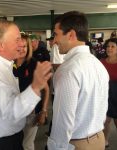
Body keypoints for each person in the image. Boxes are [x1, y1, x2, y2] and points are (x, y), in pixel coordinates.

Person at [0, 19, 52, 150]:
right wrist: (35, 87)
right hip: (2, 142)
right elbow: (11, 111)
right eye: (17, 39)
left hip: (6, 137)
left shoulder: (1, 65)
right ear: (0, 44)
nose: (22, 43)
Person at [47, 11, 109, 150]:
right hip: (98, 139)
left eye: (56, 34)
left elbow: (63, 122)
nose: (54, 41)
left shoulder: (67, 70)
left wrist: (55, 147)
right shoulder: (98, 64)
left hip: (77, 144)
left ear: (71, 35)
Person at [13, 33, 49, 150]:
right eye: (19, 46)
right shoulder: (8, 63)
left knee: (27, 144)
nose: (22, 49)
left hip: (31, 111)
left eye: (25, 46)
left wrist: (43, 111)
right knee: (14, 142)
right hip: (12, 110)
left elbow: (46, 90)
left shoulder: (34, 64)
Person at [100, 38, 117, 148]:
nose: (109, 48)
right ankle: (105, 141)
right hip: (104, 95)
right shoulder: (101, 62)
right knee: (105, 121)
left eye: (112, 46)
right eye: (107, 46)